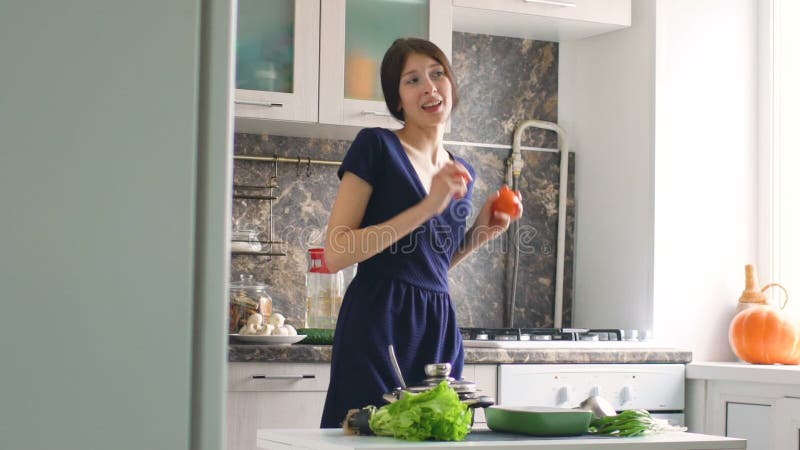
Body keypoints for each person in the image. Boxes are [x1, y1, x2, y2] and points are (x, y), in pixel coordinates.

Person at [320, 37, 523, 428]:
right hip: (379, 320)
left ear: (451, 84)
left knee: (437, 433)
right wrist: (428, 206)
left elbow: (432, 264)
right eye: (412, 80)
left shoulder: (460, 169)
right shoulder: (376, 147)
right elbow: (336, 252)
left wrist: (483, 231)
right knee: (370, 432)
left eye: (437, 74)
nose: (429, 87)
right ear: (397, 100)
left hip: (438, 325)